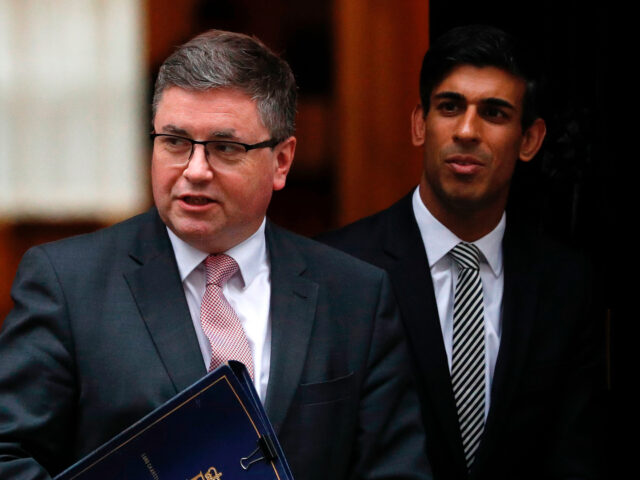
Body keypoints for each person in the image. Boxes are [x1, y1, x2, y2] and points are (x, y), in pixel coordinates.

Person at [0, 30, 431, 480]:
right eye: (174, 141)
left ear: (281, 161)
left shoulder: (357, 296)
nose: (195, 170)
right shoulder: (67, 284)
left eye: (226, 148)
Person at [319, 25, 604, 480]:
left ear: (529, 140)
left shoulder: (566, 284)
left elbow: (576, 458)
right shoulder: (338, 270)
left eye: (494, 113)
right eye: (450, 108)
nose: (467, 131)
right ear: (420, 124)